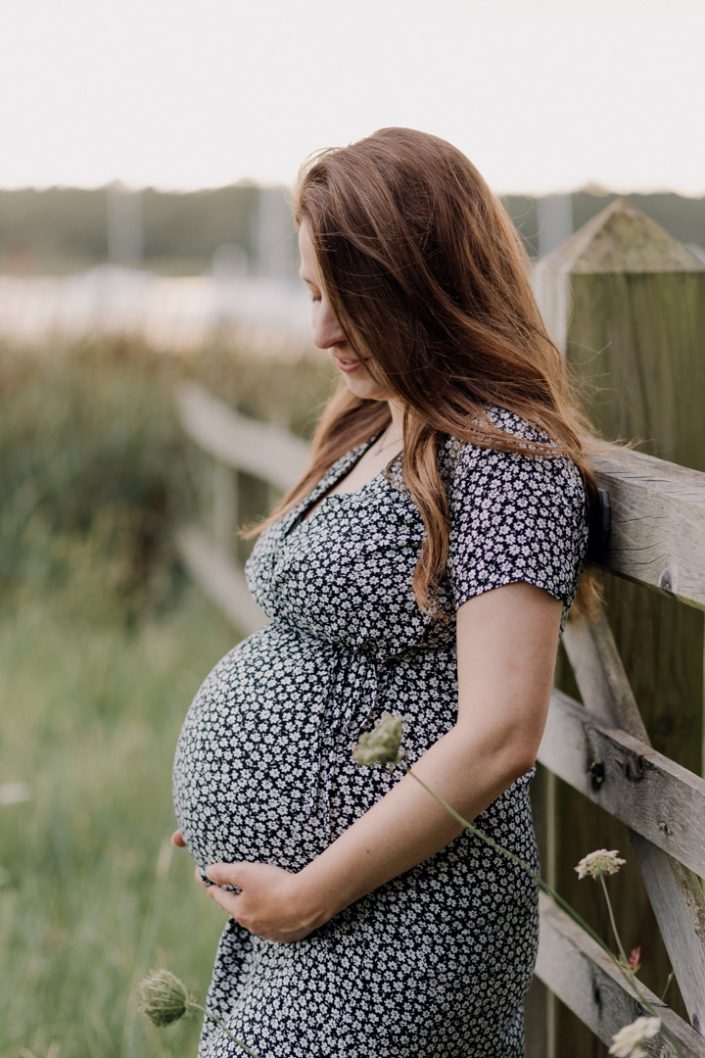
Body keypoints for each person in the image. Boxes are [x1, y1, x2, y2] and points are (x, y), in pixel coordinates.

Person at [171, 127, 606, 1058]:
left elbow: (499, 736)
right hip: (320, 903)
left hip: (400, 923)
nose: (323, 331)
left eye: (352, 300)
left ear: (430, 287)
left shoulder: (506, 459)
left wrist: (308, 886)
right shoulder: (374, 421)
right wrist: (236, 796)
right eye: (314, 295)